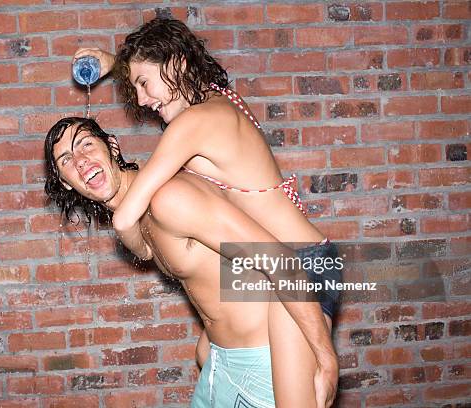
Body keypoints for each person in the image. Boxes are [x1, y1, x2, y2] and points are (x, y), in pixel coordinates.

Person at [73, 18, 340, 407]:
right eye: (135, 88)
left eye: (144, 84)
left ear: (177, 64)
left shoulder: (190, 125)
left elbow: (126, 216)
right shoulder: (218, 98)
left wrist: (328, 359)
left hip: (296, 265)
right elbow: (165, 73)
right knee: (209, 350)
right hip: (281, 261)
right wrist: (117, 63)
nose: (143, 99)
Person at [44, 117, 339, 408]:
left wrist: (326, 360)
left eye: (85, 144)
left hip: (263, 366)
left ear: (112, 146)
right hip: (221, 363)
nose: (81, 160)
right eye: (67, 160)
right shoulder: (136, 217)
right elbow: (152, 252)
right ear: (65, 183)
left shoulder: (170, 199)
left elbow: (282, 261)